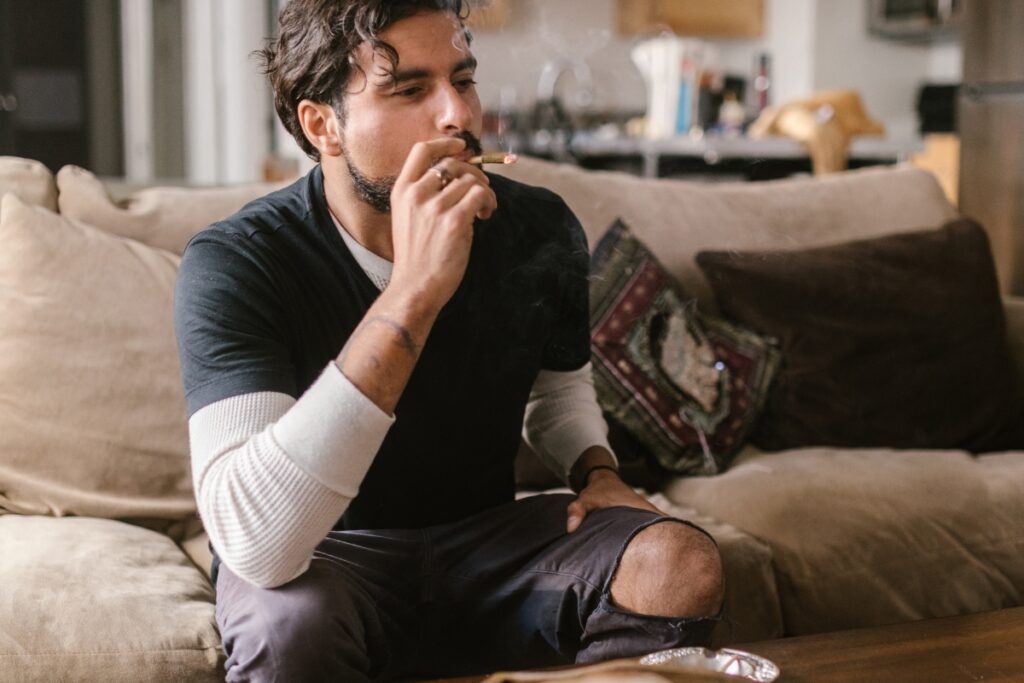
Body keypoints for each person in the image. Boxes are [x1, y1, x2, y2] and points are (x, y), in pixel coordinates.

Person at [174, 1, 724, 680]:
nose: (458, 116)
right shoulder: (238, 261)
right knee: (287, 627)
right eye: (409, 90)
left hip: (488, 544)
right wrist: (415, 289)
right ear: (323, 127)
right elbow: (259, 545)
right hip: (328, 556)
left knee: (678, 560)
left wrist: (597, 471)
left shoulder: (538, 225)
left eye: (462, 80)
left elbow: (559, 395)